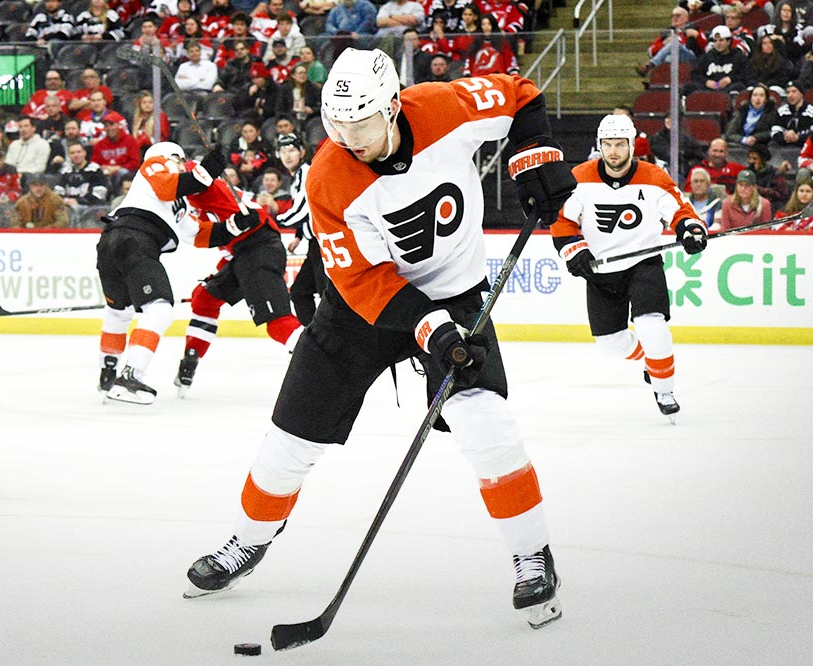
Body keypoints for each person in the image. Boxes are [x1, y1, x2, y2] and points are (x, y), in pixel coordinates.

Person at [184, 48, 575, 631]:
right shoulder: (327, 177)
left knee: (484, 422)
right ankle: (248, 540)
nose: (347, 136)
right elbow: (365, 280)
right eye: (334, 123)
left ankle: (532, 554)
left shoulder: (445, 106)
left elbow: (521, 96)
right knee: (289, 440)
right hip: (358, 313)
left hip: (458, 293)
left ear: (393, 106)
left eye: (360, 123)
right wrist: (430, 328)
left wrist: (533, 158)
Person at [552, 114, 706, 422]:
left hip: (643, 263)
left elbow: (680, 211)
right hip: (600, 269)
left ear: (632, 145)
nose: (613, 152)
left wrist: (691, 229)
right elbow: (562, 220)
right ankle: (651, 361)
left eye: (619, 144)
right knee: (611, 344)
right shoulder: (579, 177)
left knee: (652, 324)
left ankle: (665, 390)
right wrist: (573, 250)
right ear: (599, 145)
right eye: (607, 145)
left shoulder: (654, 176)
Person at [95, 141, 229, 404]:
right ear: (172, 156)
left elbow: (195, 233)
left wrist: (235, 228)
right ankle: (131, 377)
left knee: (118, 313)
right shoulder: (156, 164)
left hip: (113, 243)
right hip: (135, 240)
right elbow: (168, 185)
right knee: (159, 308)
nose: (183, 165)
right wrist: (206, 171)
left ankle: (107, 375)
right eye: (181, 160)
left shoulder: (178, 201)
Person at [173, 172, 303, 396]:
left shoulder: (209, 190)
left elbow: (196, 174)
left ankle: (325, 362)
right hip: (243, 255)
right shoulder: (207, 203)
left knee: (278, 323)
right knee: (204, 299)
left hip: (259, 250)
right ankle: (190, 359)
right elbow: (229, 249)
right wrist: (217, 275)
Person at [274, 133, 322, 325]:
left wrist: (273, 222)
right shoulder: (298, 176)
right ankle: (316, 336)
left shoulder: (306, 173)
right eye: (283, 151)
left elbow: (303, 209)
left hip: (324, 244)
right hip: (315, 244)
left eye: (292, 150)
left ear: (302, 152)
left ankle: (326, 339)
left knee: (327, 295)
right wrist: (299, 235)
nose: (288, 155)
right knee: (300, 291)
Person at [685, 26, 749, 95]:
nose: (718, 43)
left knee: (739, 86)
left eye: (721, 40)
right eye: (715, 41)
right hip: (709, 89)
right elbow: (695, 74)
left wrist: (731, 79)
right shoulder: (708, 56)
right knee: (688, 87)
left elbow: (745, 74)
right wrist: (706, 82)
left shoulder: (738, 56)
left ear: (728, 41)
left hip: (728, 88)